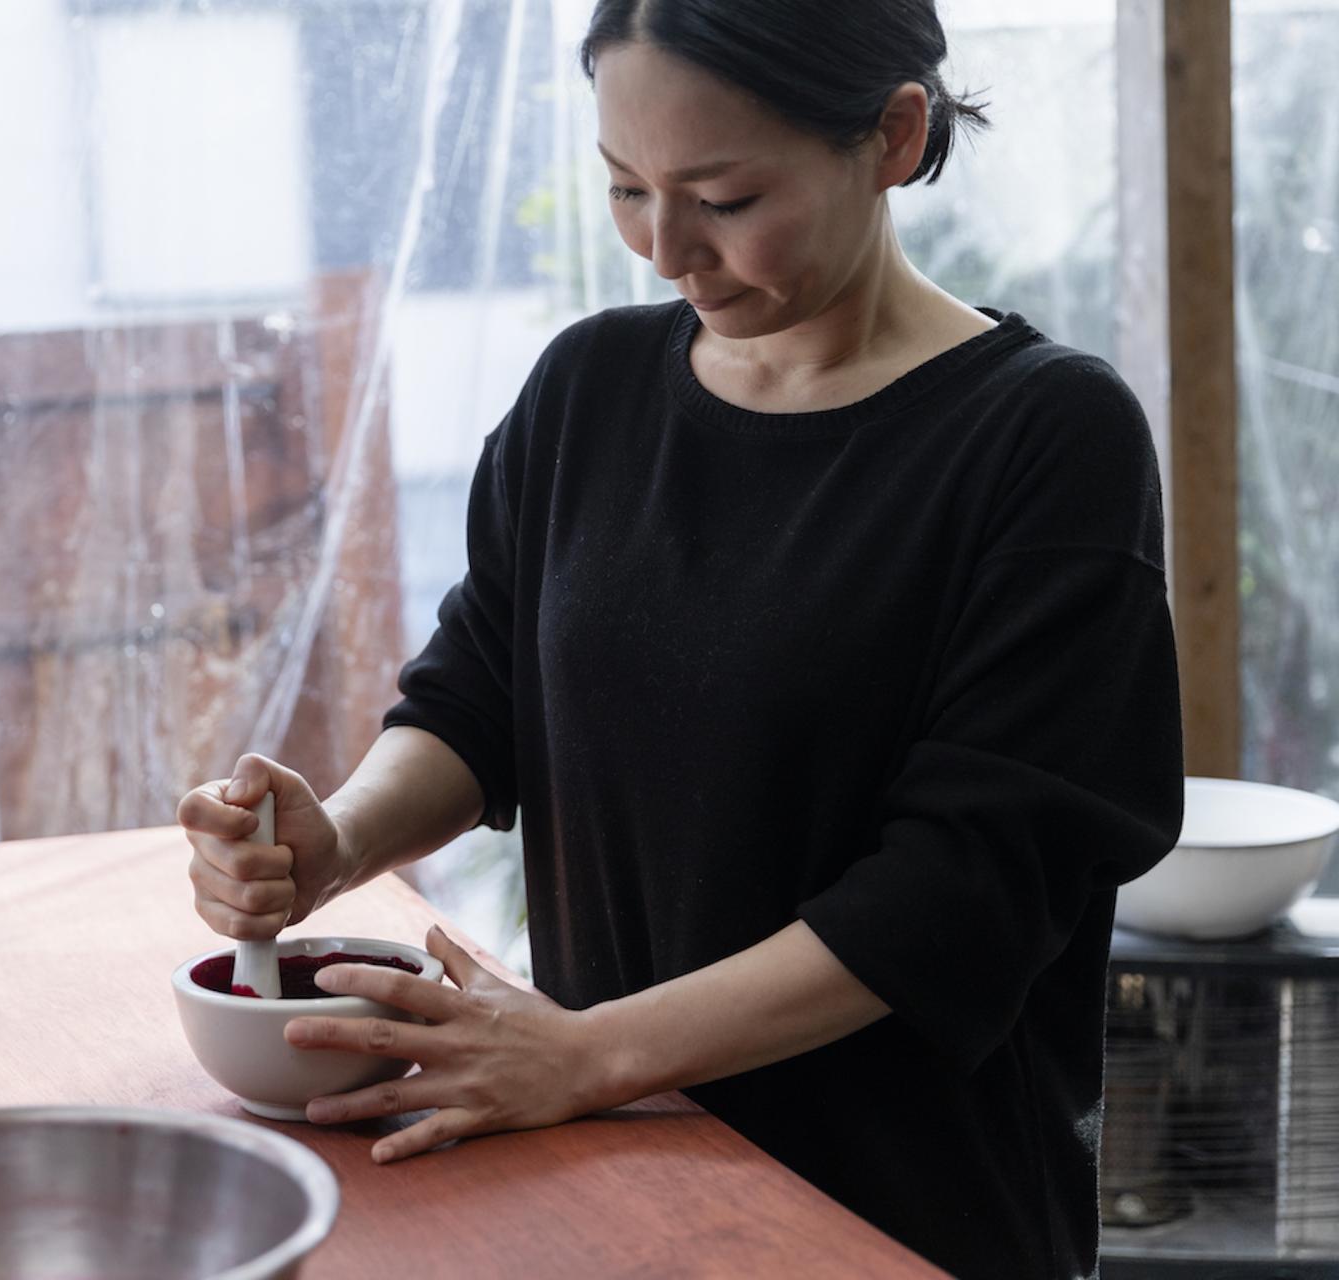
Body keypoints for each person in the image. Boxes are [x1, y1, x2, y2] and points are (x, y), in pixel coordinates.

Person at [177, 2, 1184, 1275]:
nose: (665, 249)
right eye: (625, 189)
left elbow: (962, 893)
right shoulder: (587, 389)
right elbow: (480, 692)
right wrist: (340, 835)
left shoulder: (1045, 440)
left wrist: (588, 1050)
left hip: (902, 1213)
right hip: (612, 1172)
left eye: (722, 195)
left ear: (892, 133)